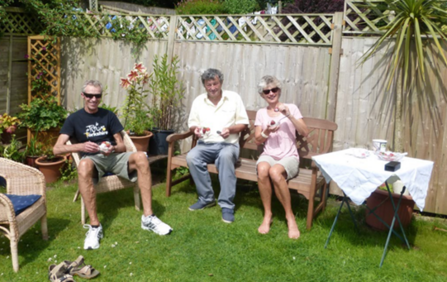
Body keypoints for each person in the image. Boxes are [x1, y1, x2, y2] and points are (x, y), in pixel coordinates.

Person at [53, 80, 172, 250]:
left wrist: (113, 148)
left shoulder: (108, 115)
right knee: (84, 165)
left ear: (101, 97)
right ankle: (95, 226)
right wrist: (81, 146)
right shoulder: (73, 119)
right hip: (92, 160)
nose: (93, 99)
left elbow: (122, 146)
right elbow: (56, 149)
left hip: (113, 156)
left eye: (97, 96)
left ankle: (148, 217)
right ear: (83, 96)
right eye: (89, 95)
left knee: (141, 157)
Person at [186, 68, 249, 223]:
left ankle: (227, 205)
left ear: (220, 82)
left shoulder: (233, 98)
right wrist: (197, 130)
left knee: (225, 156)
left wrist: (231, 129)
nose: (212, 87)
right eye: (209, 85)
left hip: (228, 144)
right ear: (204, 85)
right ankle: (206, 198)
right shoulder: (199, 101)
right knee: (192, 157)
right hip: (205, 144)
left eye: (215, 83)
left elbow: (243, 124)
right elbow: (192, 124)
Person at [254, 75, 309, 239]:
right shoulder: (261, 113)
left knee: (275, 173)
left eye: (274, 89)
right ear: (262, 95)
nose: (271, 93)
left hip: (289, 155)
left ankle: (289, 217)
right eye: (266, 91)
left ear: (279, 90)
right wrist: (267, 132)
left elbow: (304, 132)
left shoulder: (290, 107)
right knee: (263, 169)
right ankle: (268, 214)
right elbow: (258, 139)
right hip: (269, 154)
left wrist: (289, 115)